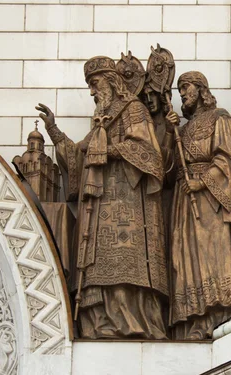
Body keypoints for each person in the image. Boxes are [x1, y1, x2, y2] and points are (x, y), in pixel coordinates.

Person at [36, 55, 169, 339]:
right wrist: (53, 130)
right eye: (90, 86)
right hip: (98, 203)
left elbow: (148, 152)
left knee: (125, 264)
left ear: (111, 81)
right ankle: (99, 323)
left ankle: (133, 323)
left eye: (95, 84)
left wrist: (108, 151)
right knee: (96, 264)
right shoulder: (100, 120)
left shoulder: (133, 110)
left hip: (129, 201)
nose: (92, 91)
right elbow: (78, 154)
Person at [168, 71, 231, 339]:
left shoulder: (219, 118)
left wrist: (201, 183)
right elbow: (171, 167)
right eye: (179, 90)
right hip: (183, 198)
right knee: (183, 255)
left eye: (185, 87)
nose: (182, 94)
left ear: (201, 89)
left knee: (207, 253)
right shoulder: (183, 129)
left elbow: (226, 160)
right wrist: (171, 133)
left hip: (205, 199)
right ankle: (191, 320)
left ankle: (211, 315)